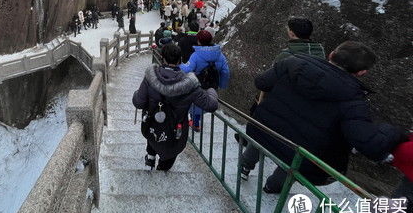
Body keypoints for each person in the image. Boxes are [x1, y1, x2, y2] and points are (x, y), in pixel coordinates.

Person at [241, 41, 407, 194]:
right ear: (362, 72)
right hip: (301, 151)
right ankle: (272, 188)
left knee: (259, 142)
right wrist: (397, 133)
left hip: (265, 129)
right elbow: (369, 144)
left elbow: (262, 82)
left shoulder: (292, 62)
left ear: (331, 54)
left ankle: (244, 168)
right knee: (291, 164)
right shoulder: (353, 101)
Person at [132, 43, 218, 171]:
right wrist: (211, 90)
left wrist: (136, 94)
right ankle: (162, 169)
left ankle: (150, 156)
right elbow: (211, 105)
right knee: (170, 148)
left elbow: (138, 103)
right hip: (175, 130)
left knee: (154, 132)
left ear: (162, 58)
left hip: (152, 122)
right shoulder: (190, 84)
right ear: (180, 60)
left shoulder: (150, 77)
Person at [180, 30, 230, 131]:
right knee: (202, 103)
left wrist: (178, 64)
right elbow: (226, 72)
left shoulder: (196, 55)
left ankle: (185, 122)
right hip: (212, 86)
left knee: (193, 102)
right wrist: (222, 85)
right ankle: (196, 123)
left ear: (199, 41)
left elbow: (187, 69)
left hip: (198, 85)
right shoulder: (220, 55)